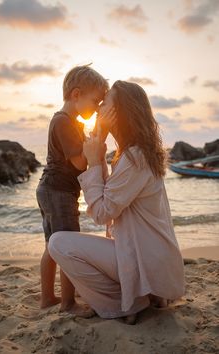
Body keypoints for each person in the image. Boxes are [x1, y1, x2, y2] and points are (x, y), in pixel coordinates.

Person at [48, 80, 185, 322]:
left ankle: (125, 306)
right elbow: (110, 199)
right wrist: (98, 150)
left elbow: (102, 214)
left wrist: (92, 162)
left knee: (58, 243)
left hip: (146, 259)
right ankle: (146, 293)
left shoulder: (134, 158)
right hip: (152, 257)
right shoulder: (134, 152)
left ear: (119, 112)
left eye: (104, 104)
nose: (99, 109)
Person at [36, 64, 109, 311]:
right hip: (59, 191)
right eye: (96, 100)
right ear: (76, 94)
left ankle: (47, 298)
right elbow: (79, 162)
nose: (98, 107)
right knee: (68, 244)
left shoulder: (70, 122)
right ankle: (67, 302)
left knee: (52, 244)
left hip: (50, 189)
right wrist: (98, 141)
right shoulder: (64, 122)